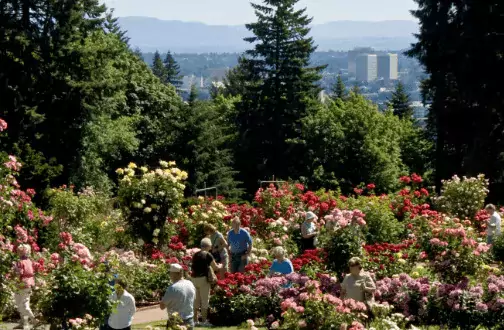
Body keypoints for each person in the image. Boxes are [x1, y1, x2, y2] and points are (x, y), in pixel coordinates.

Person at [191, 238, 222, 326]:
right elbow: (215, 267)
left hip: (194, 279)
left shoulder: (195, 255)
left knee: (196, 300)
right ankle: (204, 321)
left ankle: (195, 320)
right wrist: (220, 266)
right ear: (208, 246)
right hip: (203, 279)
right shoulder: (208, 255)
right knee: (205, 300)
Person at [160, 264, 196, 330]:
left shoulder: (172, 288)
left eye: (170, 273)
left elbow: (162, 306)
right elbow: (194, 298)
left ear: (174, 274)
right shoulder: (190, 284)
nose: (170, 276)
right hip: (189, 320)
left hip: (175, 322)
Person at [13, 244, 36, 329]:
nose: (17, 252)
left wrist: (14, 268)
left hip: (21, 284)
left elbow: (19, 274)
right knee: (25, 304)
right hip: (29, 284)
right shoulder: (30, 261)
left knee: (21, 305)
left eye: (19, 251)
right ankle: (24, 323)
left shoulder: (20, 262)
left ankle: (34, 320)